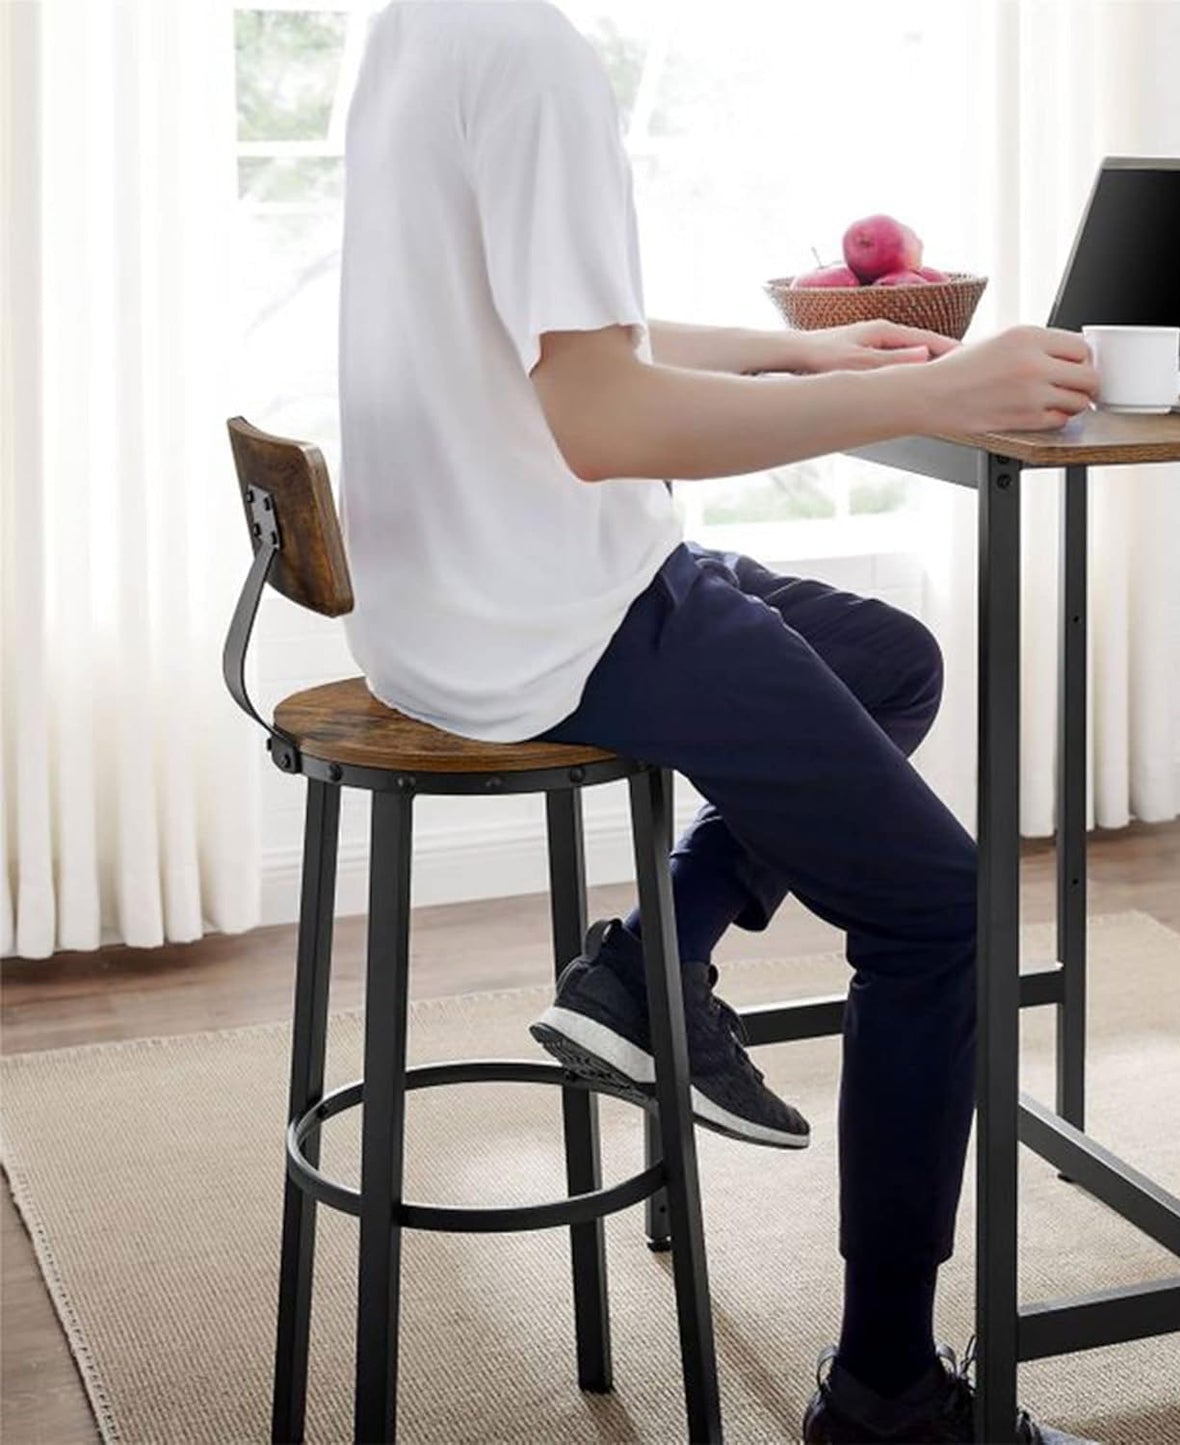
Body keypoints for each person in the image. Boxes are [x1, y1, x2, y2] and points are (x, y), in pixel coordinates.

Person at [338, 2, 1100, 1440]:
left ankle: (649, 961)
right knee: (943, 908)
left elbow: (555, 336)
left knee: (888, 657)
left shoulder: (425, 25)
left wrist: (795, 353)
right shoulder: (534, 56)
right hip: (559, 604)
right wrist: (934, 387)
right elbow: (606, 423)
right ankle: (886, 1392)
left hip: (452, 588)